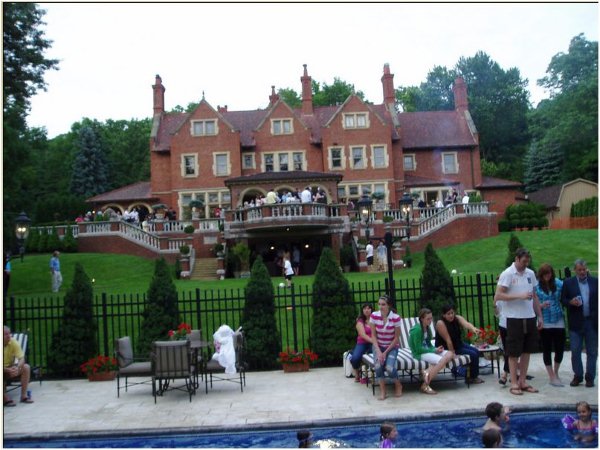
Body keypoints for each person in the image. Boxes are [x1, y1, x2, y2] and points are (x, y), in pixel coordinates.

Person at [494, 248, 543, 396]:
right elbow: (498, 295)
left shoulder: (530, 274)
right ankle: (513, 382)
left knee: (527, 350)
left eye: (527, 262)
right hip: (513, 318)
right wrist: (519, 296)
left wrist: (539, 315)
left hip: (529, 316)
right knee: (513, 352)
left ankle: (522, 381)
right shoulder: (508, 274)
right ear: (516, 259)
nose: (525, 264)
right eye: (523, 261)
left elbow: (534, 296)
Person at [561, 259, 598, 388]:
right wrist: (570, 302)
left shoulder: (595, 282)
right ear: (575, 270)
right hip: (576, 322)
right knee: (575, 350)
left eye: (584, 269)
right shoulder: (568, 283)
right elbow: (563, 300)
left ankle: (590, 377)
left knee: (592, 351)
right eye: (579, 270)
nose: (582, 272)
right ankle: (578, 375)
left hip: (591, 322)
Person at [408, 308, 455, 395]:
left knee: (450, 353)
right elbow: (418, 349)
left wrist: (436, 349)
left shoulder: (427, 328)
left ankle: (427, 372)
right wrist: (433, 350)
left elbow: (428, 344)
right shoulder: (417, 330)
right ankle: (425, 385)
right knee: (442, 361)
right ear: (422, 319)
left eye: (431, 318)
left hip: (427, 351)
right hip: (419, 353)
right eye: (428, 319)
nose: (430, 321)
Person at [434, 304, 484, 384]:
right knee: (473, 355)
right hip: (446, 347)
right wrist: (452, 353)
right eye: (448, 314)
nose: (451, 315)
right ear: (443, 315)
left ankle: (467, 373)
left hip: (458, 344)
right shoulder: (441, 323)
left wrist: (473, 329)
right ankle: (472, 377)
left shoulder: (457, 318)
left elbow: (467, 324)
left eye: (452, 313)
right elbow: (448, 340)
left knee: (476, 351)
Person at [536, 263, 566, 387]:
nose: (547, 276)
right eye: (544, 274)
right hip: (545, 320)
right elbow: (533, 302)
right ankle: (551, 376)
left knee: (559, 348)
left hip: (558, 318)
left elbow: (565, 296)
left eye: (548, 274)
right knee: (547, 348)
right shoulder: (537, 287)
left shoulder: (558, 283)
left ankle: (556, 371)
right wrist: (541, 306)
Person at [369, 295, 403, 400]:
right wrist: (379, 351)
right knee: (378, 366)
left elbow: (396, 338)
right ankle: (383, 391)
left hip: (391, 347)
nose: (380, 307)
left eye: (383, 304)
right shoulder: (374, 316)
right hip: (378, 346)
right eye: (379, 304)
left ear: (389, 305)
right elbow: (373, 336)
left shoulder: (396, 318)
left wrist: (385, 352)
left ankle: (398, 384)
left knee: (389, 368)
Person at [3, 326, 34, 406]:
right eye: (6, 334)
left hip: (10, 368)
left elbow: (22, 358)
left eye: (9, 333)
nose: (9, 336)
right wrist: (7, 370)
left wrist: (17, 367)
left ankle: (23, 396)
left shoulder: (12, 342)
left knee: (26, 367)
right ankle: (5, 398)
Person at [350, 304, 374, 382]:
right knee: (355, 358)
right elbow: (362, 335)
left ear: (371, 310)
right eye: (364, 308)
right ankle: (357, 373)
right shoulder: (360, 320)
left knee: (374, 356)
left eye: (368, 308)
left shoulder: (375, 319)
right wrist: (373, 341)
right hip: (362, 342)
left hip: (373, 343)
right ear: (362, 310)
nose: (366, 310)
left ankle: (371, 374)